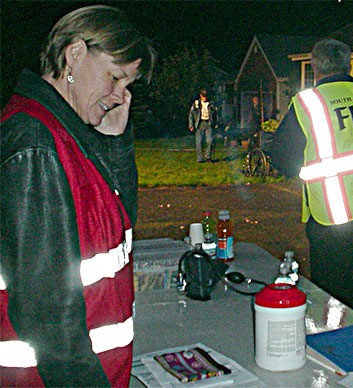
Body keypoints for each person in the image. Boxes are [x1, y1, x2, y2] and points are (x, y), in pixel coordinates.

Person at [0, 5, 155, 386]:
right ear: (75, 54)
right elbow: (47, 315)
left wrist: (115, 144)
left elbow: (119, 230)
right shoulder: (36, 142)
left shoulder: (69, 133)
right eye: (116, 77)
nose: (121, 96)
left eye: (128, 86)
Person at [268, 39, 353, 312]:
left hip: (332, 218)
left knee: (328, 295)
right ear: (347, 64)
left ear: (316, 66)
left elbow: (282, 156)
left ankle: (331, 346)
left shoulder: (309, 102)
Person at [188, 89, 216, 162]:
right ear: (200, 95)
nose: (205, 98)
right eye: (203, 96)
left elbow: (215, 114)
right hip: (199, 124)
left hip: (208, 123)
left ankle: (208, 157)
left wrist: (216, 123)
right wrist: (191, 125)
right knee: (199, 142)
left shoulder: (211, 103)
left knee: (210, 141)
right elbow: (191, 114)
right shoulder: (196, 103)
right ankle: (200, 158)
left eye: (206, 96)